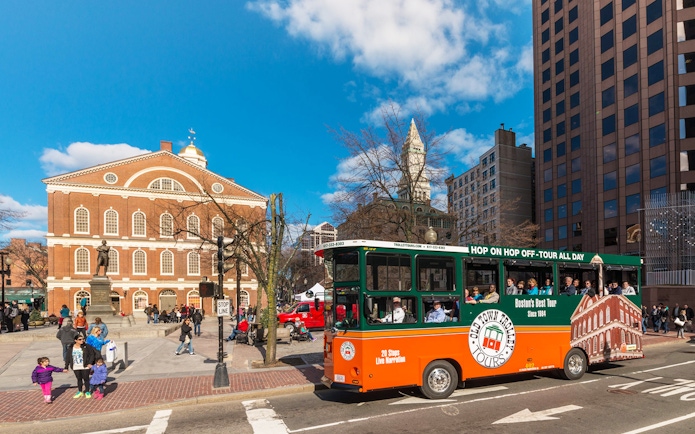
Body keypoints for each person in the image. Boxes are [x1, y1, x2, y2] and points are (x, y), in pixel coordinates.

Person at [66, 334, 99, 398]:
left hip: (85, 366)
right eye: (80, 339)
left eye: (83, 339)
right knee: (79, 379)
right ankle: (80, 391)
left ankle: (87, 391)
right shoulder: (71, 347)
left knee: (86, 379)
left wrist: (90, 363)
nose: (82, 340)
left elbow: (92, 354)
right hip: (76, 366)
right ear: (75, 340)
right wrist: (66, 366)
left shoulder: (86, 346)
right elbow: (68, 357)